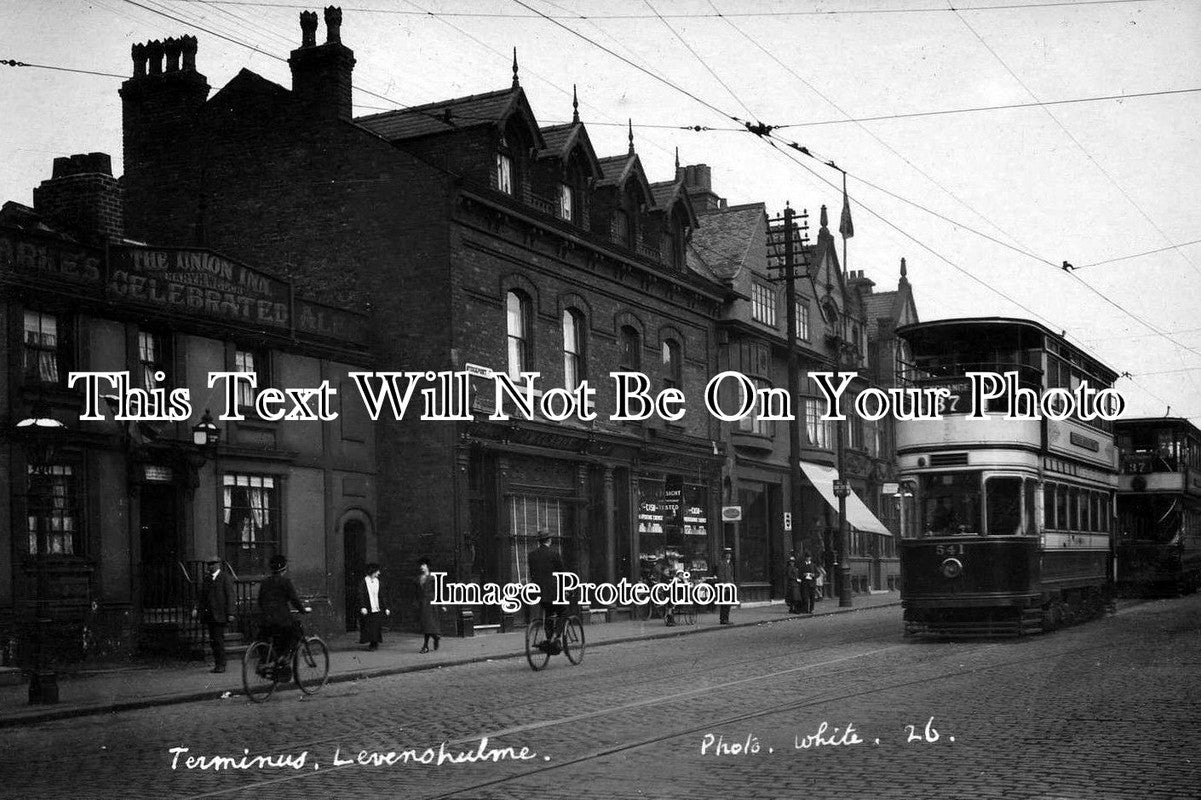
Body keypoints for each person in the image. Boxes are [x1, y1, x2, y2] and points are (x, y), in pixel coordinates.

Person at [257, 554, 311, 665]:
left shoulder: (265, 582)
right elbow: (294, 600)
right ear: (284, 569)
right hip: (281, 620)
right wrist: (302, 610)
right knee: (295, 633)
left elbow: (260, 601)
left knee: (275, 638)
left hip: (266, 620)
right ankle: (284, 657)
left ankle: (274, 659)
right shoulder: (285, 582)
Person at [196, 556, 235, 673]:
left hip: (220, 614)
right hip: (210, 615)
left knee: (218, 640)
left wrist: (230, 612)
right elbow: (202, 596)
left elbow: (230, 596)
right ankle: (218, 663)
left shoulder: (225, 577)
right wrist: (197, 609)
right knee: (213, 640)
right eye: (209, 564)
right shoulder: (207, 579)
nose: (210, 566)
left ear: (218, 564)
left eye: (213, 564)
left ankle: (221, 664)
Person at [528, 530, 565, 645]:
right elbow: (562, 574)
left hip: (539, 592)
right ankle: (556, 636)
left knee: (549, 613)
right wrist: (568, 588)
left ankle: (549, 639)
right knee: (563, 612)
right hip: (554, 592)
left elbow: (532, 573)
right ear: (549, 540)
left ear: (539, 541)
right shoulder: (554, 554)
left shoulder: (532, 555)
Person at [358, 562, 390, 651]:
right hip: (368, 608)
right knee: (369, 626)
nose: (379, 573)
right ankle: (372, 642)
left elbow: (381, 596)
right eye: (377, 571)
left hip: (376, 608)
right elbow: (361, 595)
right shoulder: (364, 582)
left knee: (376, 626)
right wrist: (363, 606)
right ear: (373, 571)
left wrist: (386, 607)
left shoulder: (378, 582)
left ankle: (374, 643)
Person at [416, 557, 443, 653]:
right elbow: (417, 592)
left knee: (428, 624)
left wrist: (441, 604)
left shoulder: (433, 578)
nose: (421, 567)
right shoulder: (419, 578)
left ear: (427, 566)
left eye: (423, 565)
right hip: (422, 603)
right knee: (425, 625)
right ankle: (435, 637)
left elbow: (438, 591)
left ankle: (425, 646)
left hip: (431, 603)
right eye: (420, 565)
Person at [715, 547, 735, 625]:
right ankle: (723, 619)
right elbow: (720, 575)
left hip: (730, 586)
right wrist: (723, 585)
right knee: (724, 603)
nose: (729, 555)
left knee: (728, 603)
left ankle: (726, 618)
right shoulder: (721, 563)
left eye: (730, 554)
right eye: (727, 554)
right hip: (724, 586)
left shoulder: (730, 563)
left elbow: (731, 575)